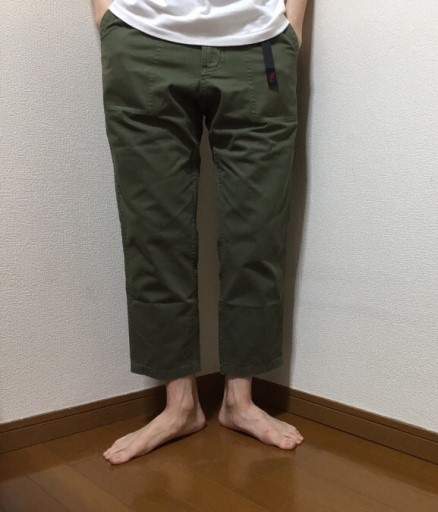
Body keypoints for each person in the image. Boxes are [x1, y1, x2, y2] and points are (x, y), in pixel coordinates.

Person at [91, 0, 308, 465]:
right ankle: (180, 406)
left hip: (259, 43)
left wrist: (293, 25)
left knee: (258, 230)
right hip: (141, 34)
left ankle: (240, 401)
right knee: (154, 230)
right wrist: (106, 15)